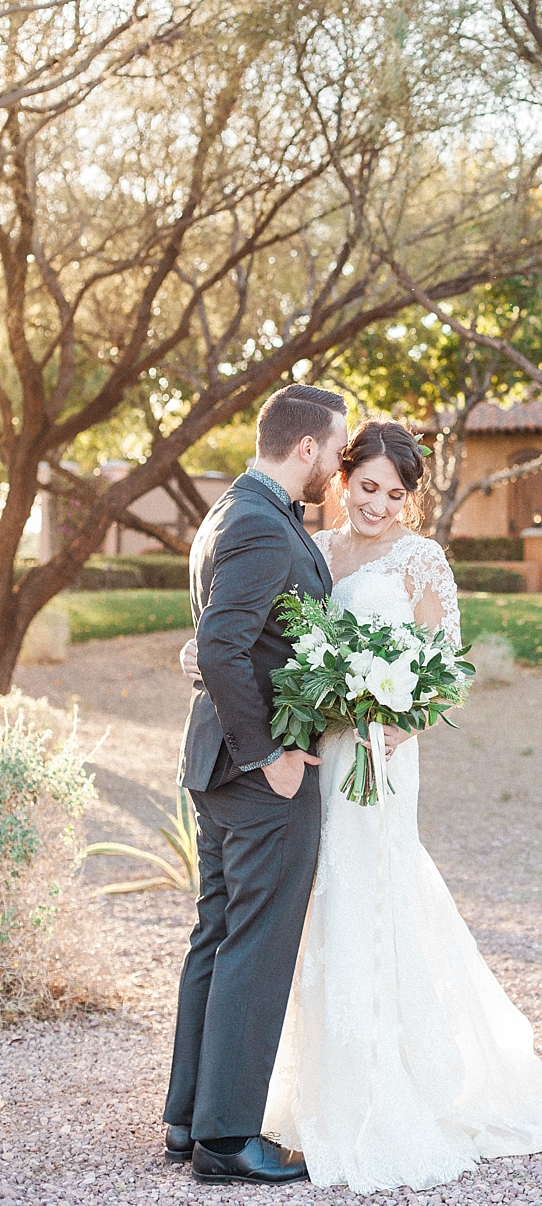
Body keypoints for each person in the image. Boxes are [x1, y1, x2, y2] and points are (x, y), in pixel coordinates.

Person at [180, 419, 542, 1192]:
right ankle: (271, 1095)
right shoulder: (312, 548)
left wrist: (385, 712)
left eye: (394, 493)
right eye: (366, 486)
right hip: (308, 755)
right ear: (340, 477)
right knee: (296, 920)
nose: (377, 504)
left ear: (412, 499)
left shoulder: (422, 561)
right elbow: (262, 644)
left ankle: (376, 1090)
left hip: (375, 758)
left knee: (364, 902)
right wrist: (203, 655)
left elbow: (440, 676)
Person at [163, 384, 348, 1187]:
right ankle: (228, 1137)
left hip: (214, 765)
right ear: (306, 448)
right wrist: (271, 753)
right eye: (337, 450)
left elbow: (228, 641)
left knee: (217, 933)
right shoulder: (260, 525)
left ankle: (187, 1119)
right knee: (256, 943)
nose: (339, 466)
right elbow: (222, 650)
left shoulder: (229, 511)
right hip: (253, 773)